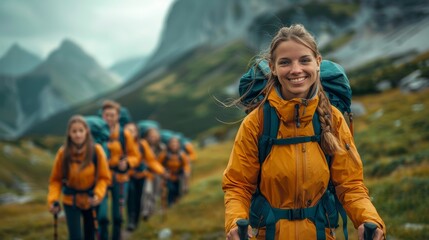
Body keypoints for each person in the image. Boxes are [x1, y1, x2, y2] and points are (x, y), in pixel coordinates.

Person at [222, 24, 386, 240]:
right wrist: (234, 223)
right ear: (273, 67)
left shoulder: (334, 118)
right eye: (285, 62)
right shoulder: (257, 122)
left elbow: (350, 184)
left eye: (304, 60)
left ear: (318, 62)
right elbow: (238, 185)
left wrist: (368, 219)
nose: (296, 70)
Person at [47, 115, 111, 240]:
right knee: (75, 237)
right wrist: (53, 200)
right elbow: (56, 180)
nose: (78, 135)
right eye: (74, 131)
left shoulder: (96, 151)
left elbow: (104, 178)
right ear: (69, 133)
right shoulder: (63, 153)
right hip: (70, 200)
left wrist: (98, 194)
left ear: (86, 131)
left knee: (89, 235)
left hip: (91, 199)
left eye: (80, 131)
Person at [98, 100, 140, 240]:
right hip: (101, 179)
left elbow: (135, 156)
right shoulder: (96, 134)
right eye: (106, 115)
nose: (109, 118)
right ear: (102, 116)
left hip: (120, 179)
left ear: (118, 116)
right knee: (102, 216)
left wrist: (127, 163)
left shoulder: (124, 134)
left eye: (112, 115)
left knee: (118, 216)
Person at [125, 122, 166, 230]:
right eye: (128, 131)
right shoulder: (123, 144)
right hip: (128, 177)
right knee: (131, 198)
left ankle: (136, 221)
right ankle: (131, 220)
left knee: (140, 198)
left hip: (142, 176)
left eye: (133, 131)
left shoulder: (142, 144)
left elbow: (151, 160)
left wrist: (162, 171)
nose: (131, 133)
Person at [159, 135, 191, 206]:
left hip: (178, 176)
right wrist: (163, 172)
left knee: (178, 191)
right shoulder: (164, 155)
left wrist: (186, 172)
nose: (174, 144)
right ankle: (170, 205)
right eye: (172, 143)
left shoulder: (182, 155)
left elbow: (186, 165)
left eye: (176, 143)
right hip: (167, 177)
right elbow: (158, 164)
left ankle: (177, 204)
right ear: (168, 144)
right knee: (170, 190)